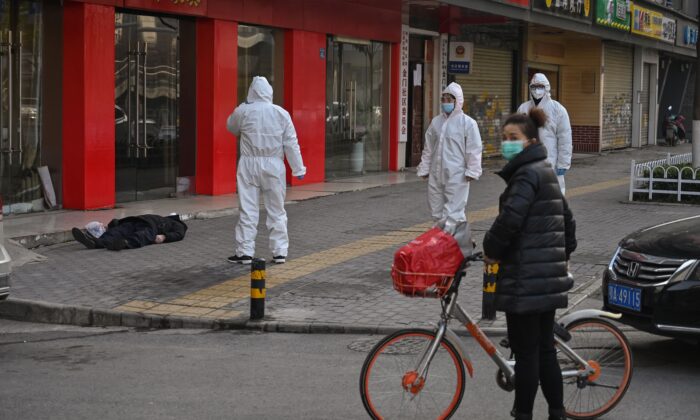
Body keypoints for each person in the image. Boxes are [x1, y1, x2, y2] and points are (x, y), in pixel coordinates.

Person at [483, 108, 577, 420]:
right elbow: (568, 221)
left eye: (514, 138)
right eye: (504, 138)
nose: (507, 143)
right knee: (545, 351)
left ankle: (523, 414)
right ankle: (557, 412)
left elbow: (510, 220)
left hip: (525, 279)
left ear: (530, 141)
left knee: (527, 356)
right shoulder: (545, 169)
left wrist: (491, 249)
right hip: (545, 278)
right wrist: (559, 256)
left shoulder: (525, 174)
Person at [226, 76, 306, 265]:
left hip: (248, 165)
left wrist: (243, 105)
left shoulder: (243, 110)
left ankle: (244, 252)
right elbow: (291, 143)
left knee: (247, 209)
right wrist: (298, 168)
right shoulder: (281, 113)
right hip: (274, 166)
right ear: (269, 92)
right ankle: (279, 252)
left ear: (251, 92)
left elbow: (231, 127)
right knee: (277, 210)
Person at [416, 82, 482, 231]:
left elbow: (474, 148)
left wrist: (472, 170)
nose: (445, 103)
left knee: (454, 214)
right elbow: (429, 148)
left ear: (457, 101)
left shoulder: (468, 123)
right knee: (437, 212)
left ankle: (458, 245)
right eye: (443, 99)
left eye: (449, 99)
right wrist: (424, 168)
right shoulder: (436, 122)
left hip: (457, 175)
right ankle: (442, 245)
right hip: (436, 173)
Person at [517, 73, 572, 194]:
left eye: (540, 86)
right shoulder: (523, 109)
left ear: (546, 88)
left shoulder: (558, 109)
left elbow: (564, 138)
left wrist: (563, 163)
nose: (537, 90)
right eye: (534, 86)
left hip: (550, 161)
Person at [71, 214, 187, 251]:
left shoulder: (179, 225)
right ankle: (96, 243)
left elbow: (179, 235)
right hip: (137, 221)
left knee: (141, 235)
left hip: (152, 227)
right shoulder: (163, 217)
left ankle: (124, 243)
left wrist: (164, 237)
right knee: (117, 231)